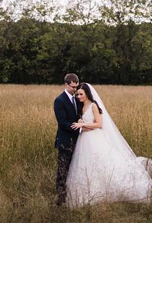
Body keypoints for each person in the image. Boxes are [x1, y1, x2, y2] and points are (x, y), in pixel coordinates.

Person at [65, 82, 152, 207]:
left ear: (87, 93)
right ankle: (89, 192)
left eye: (81, 94)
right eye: (77, 94)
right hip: (84, 140)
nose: (79, 96)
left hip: (95, 140)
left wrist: (82, 124)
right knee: (87, 165)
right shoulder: (81, 107)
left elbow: (99, 124)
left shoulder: (93, 106)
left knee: (102, 165)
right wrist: (82, 124)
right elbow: (86, 124)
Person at [53, 73, 82, 205]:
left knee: (75, 168)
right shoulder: (59, 100)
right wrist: (79, 128)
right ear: (66, 84)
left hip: (78, 140)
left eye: (76, 87)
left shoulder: (77, 98)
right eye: (73, 87)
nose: (75, 90)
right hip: (65, 141)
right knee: (63, 170)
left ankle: (73, 194)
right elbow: (63, 122)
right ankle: (60, 198)